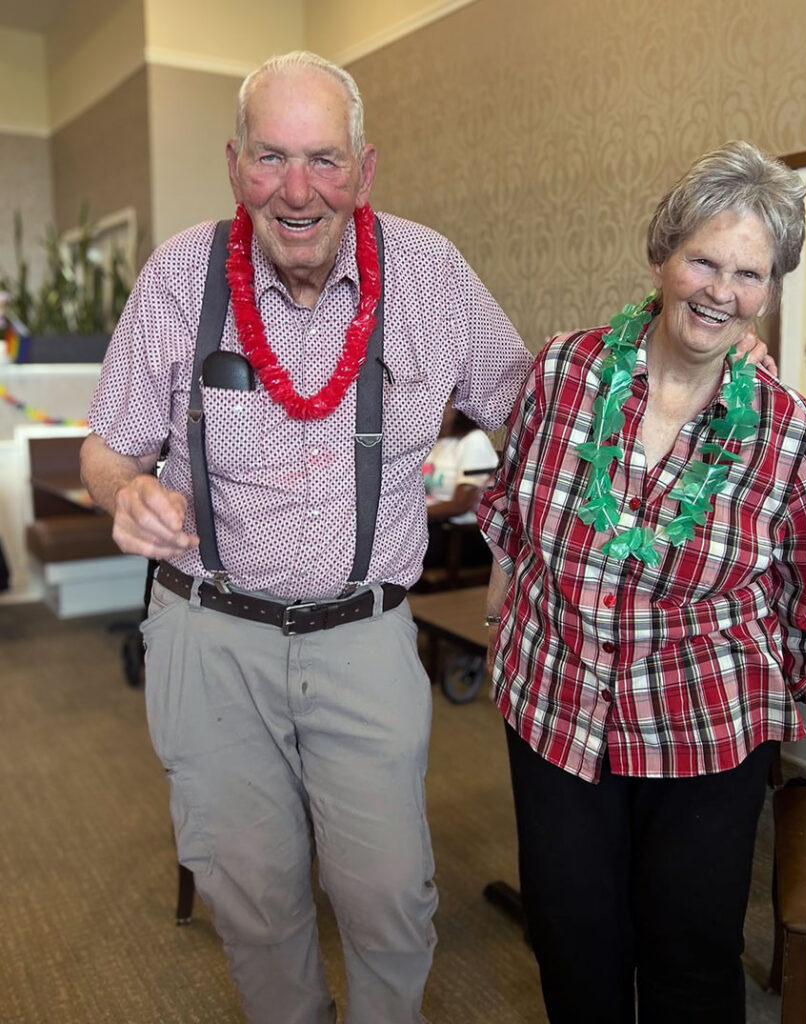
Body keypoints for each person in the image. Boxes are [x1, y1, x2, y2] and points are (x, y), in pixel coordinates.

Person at [80, 51, 531, 1024]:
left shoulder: (431, 274)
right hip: (209, 633)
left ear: (363, 169)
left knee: (388, 894)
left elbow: (538, 408)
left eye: (323, 159)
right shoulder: (177, 277)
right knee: (253, 898)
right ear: (236, 163)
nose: (296, 190)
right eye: (272, 158)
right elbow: (107, 451)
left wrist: (679, 358)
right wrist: (124, 493)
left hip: (364, 634)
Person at [478, 141, 806, 1024]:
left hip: (703, 724)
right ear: (663, 255)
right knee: (571, 941)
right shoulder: (563, 372)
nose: (720, 290)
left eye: (750, 273)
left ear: (771, 289)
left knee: (691, 957)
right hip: (555, 713)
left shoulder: (781, 429)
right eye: (703, 259)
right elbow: (511, 513)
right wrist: (502, 633)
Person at [421, 396, 498, 570]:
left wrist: (413, 514)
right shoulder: (431, 443)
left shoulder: (473, 441)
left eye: (445, 402)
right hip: (429, 525)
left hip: (460, 535)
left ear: (458, 406)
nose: (436, 407)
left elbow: (461, 504)